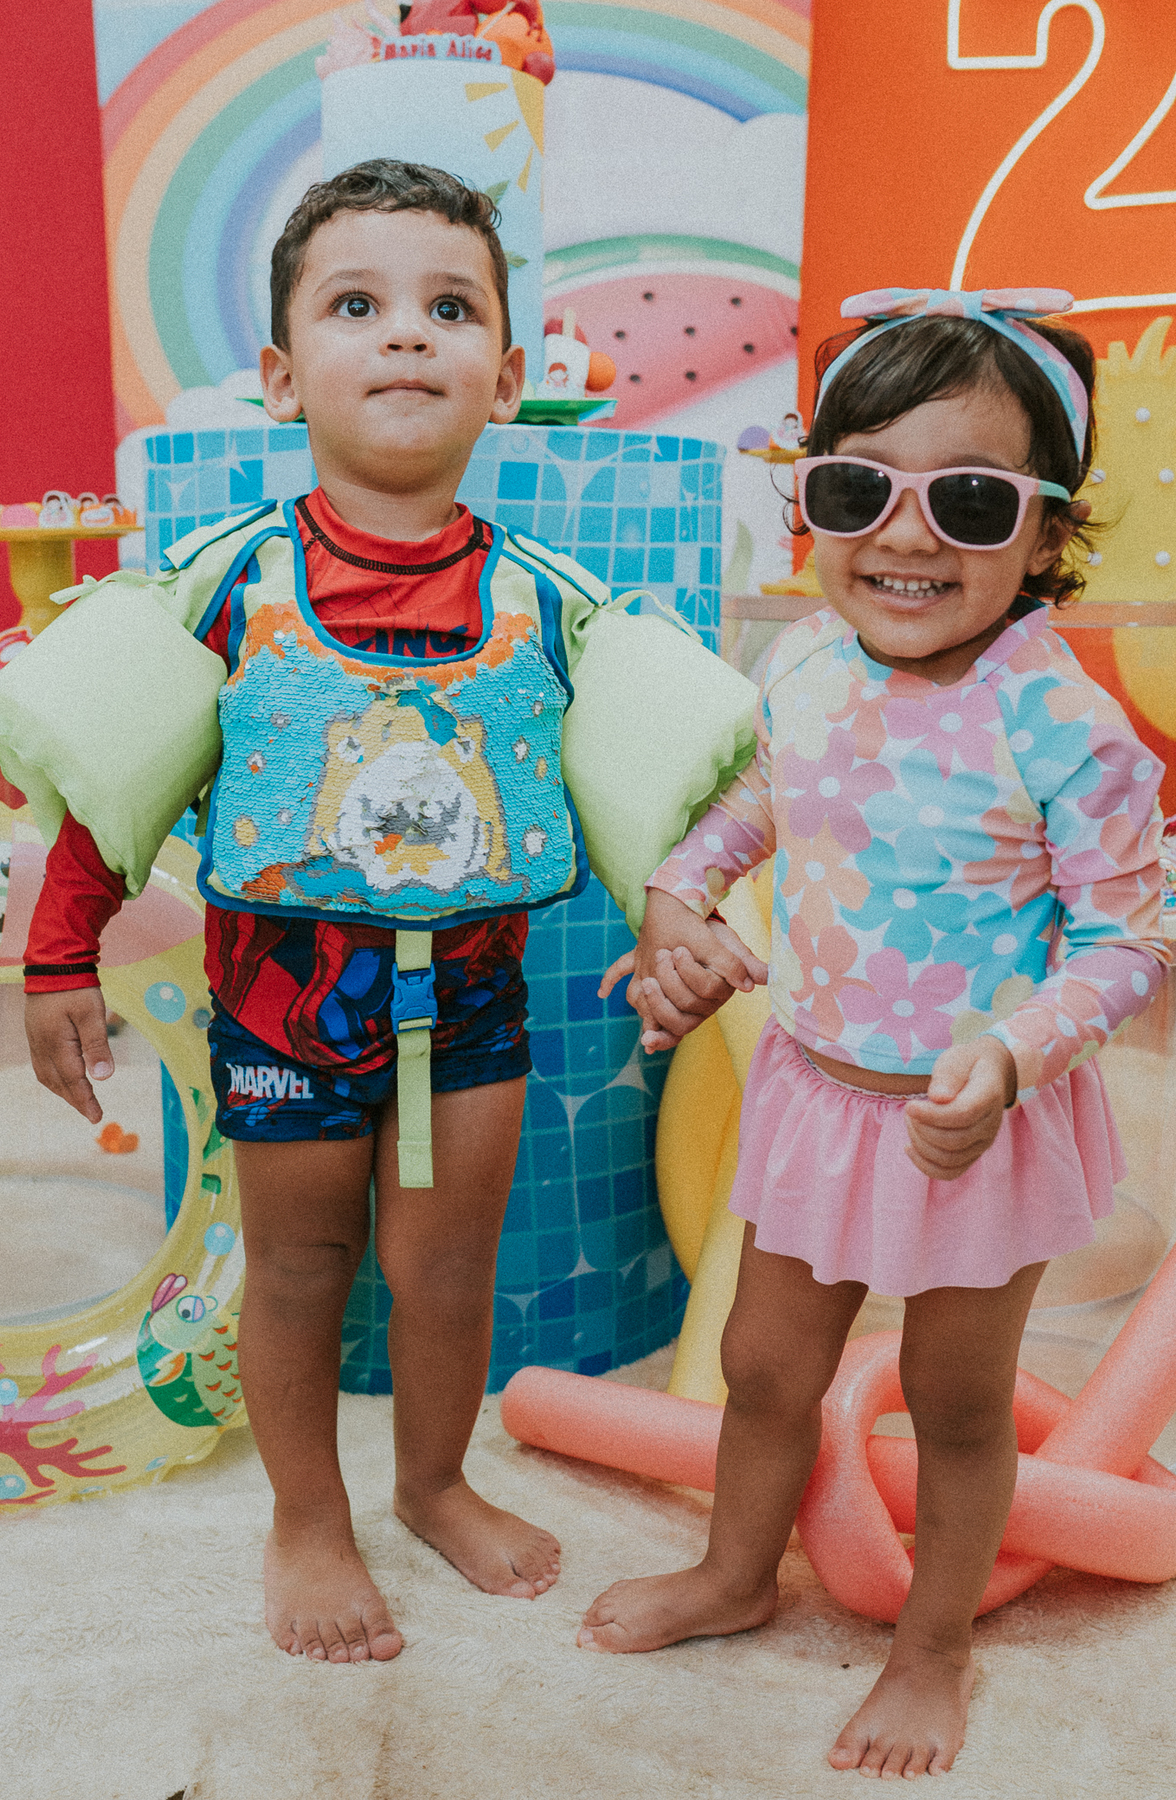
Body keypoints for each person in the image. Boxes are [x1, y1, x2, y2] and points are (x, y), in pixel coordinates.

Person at [11, 159, 757, 1667]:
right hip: (286, 1005)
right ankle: (307, 1518)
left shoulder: (558, 600)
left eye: (449, 308)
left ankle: (431, 1482)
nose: (407, 335)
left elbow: (644, 813)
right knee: (296, 1267)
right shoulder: (220, 585)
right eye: (359, 306)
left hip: (478, 1008)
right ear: (285, 378)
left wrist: (679, 920)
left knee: (445, 1269)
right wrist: (55, 949)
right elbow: (116, 782)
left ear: (509, 374)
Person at [580, 287, 1171, 1779]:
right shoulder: (810, 669)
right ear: (812, 503)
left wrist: (1016, 1056)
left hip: (970, 1124)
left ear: (1046, 535)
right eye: (858, 490)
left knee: (961, 1404)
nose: (905, 538)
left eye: (967, 501)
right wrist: (682, 888)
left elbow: (1128, 940)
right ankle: (733, 1574)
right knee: (766, 1367)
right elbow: (767, 800)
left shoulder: (1070, 732)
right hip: (812, 1093)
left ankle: (935, 1646)